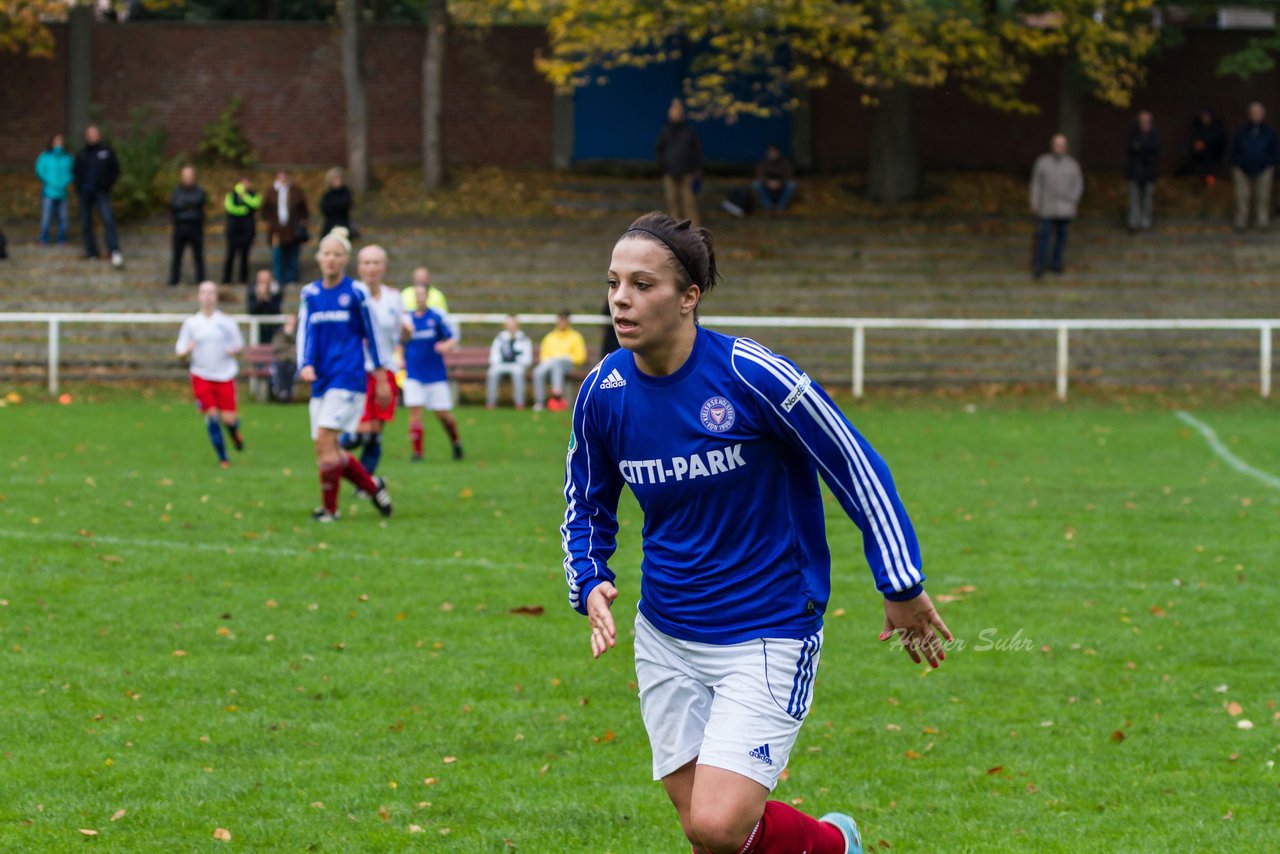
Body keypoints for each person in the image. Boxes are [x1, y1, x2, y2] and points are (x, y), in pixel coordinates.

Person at [562, 212, 948, 854]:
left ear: (689, 297)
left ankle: (831, 843)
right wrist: (591, 576)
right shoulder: (604, 391)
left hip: (766, 630)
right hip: (665, 634)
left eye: (642, 284)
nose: (621, 299)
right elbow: (586, 500)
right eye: (613, 283)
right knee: (704, 829)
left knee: (718, 825)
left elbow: (854, 464)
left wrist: (901, 582)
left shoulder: (752, 375)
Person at [296, 227, 394, 522]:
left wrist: (379, 378)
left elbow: (373, 335)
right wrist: (305, 363)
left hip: (348, 377)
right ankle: (372, 486)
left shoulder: (356, 293)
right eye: (326, 253)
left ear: (345, 260)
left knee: (325, 439)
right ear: (318, 257)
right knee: (327, 447)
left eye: (337, 255)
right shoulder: (310, 294)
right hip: (321, 379)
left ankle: (330, 510)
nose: (331, 259)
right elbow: (306, 331)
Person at [341, 244, 405, 481]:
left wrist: (406, 334)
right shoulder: (350, 295)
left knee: (376, 433)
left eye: (376, 262)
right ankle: (331, 456)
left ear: (384, 267)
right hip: (356, 370)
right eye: (367, 263)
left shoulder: (394, 298)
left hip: (384, 370)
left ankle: (364, 483)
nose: (371, 268)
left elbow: (399, 335)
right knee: (360, 433)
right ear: (358, 267)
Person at [175, 281, 245, 468]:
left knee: (229, 419)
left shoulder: (226, 321)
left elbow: (239, 345)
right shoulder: (191, 323)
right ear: (199, 296)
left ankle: (234, 433)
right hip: (201, 374)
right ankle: (223, 458)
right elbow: (179, 351)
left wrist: (233, 350)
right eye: (204, 292)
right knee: (212, 415)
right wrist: (186, 351)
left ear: (216, 297)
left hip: (224, 374)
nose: (207, 296)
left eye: (211, 293)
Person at [402, 279, 463, 461]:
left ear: (428, 297)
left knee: (442, 414)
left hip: (435, 374)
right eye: (417, 295)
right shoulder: (407, 320)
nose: (419, 298)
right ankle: (417, 453)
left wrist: (445, 346)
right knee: (415, 413)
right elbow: (400, 341)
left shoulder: (436, 318)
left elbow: (452, 339)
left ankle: (456, 442)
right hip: (414, 373)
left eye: (422, 295)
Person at [1029, 133, 1084, 277]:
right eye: (1056, 144)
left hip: (1065, 209)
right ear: (1052, 146)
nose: (1058, 147)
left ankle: (1056, 263)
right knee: (1043, 237)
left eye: (1061, 145)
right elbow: (1036, 184)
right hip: (1046, 207)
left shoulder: (1073, 165)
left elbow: (1078, 185)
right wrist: (1035, 202)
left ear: (1065, 147)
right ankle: (1039, 265)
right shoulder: (1042, 162)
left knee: (1061, 238)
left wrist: (1073, 200)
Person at [72, 124, 123, 268]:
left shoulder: (106, 151)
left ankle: (114, 250)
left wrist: (107, 184)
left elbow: (115, 170)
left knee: (108, 220)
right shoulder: (82, 154)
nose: (92, 137)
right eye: (89, 134)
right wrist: (79, 187)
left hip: (101, 192)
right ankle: (91, 252)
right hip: (85, 193)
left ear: (98, 135)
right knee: (87, 223)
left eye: (94, 134)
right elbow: (76, 172)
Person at [1230, 101, 1279, 231]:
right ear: (1249, 114)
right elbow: (1234, 149)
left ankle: (1262, 222)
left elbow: (1275, 150)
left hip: (1264, 169)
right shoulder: (1241, 131)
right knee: (1242, 197)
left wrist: (1269, 163)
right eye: (1253, 112)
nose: (1255, 115)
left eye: (1258, 112)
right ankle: (1241, 223)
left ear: (1263, 114)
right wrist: (1238, 162)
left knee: (1262, 197)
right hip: (1242, 169)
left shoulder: (1270, 132)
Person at [655, 98, 703, 225]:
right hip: (670, 172)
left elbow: (696, 151)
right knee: (672, 202)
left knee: (689, 202)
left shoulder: (689, 131)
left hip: (687, 172)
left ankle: (694, 231)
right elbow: (659, 150)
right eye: (672, 110)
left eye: (677, 110)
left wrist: (695, 168)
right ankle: (675, 230)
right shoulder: (665, 131)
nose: (674, 113)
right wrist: (664, 166)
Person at [533, 310, 588, 412]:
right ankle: (540, 402)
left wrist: (564, 357)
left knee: (557, 362)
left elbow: (580, 357)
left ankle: (556, 395)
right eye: (560, 320)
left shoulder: (576, 337)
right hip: (550, 365)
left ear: (568, 321)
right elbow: (544, 357)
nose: (562, 323)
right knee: (538, 371)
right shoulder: (549, 337)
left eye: (564, 320)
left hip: (568, 365)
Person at [265, 169, 309, 286]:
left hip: (292, 229)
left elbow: (303, 208)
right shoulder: (271, 191)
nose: (283, 178)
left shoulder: (295, 190)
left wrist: (302, 221)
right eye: (280, 176)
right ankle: (278, 279)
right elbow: (265, 210)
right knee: (278, 255)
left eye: (284, 175)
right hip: (276, 230)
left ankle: (291, 278)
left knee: (292, 255)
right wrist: (271, 223)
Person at [169, 165, 207, 286]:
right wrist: (189, 206)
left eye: (190, 176)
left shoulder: (199, 191)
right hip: (180, 229)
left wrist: (184, 205)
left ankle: (201, 280)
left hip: (195, 229)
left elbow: (198, 203)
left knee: (198, 256)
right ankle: (174, 280)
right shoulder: (176, 192)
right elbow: (174, 206)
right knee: (177, 257)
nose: (187, 179)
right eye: (185, 176)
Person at [486, 315, 533, 409]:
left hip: (517, 365)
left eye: (514, 324)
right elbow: (493, 357)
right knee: (492, 372)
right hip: (501, 365)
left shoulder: (524, 339)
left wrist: (516, 360)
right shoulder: (499, 338)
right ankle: (491, 403)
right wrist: (501, 360)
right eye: (509, 324)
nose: (512, 326)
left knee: (518, 372)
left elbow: (528, 359)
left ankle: (519, 403)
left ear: (518, 325)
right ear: (505, 325)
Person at [222, 175, 261, 285]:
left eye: (247, 183)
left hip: (247, 231)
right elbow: (229, 208)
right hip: (233, 230)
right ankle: (227, 279)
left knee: (245, 256)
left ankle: (243, 279)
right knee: (230, 255)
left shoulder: (253, 194)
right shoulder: (231, 194)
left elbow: (255, 204)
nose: (245, 185)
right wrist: (243, 210)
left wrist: (244, 197)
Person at [1125, 111, 1160, 233]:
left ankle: (1145, 222)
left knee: (1147, 199)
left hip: (1149, 172)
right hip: (1135, 171)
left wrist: (1140, 147)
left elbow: (1154, 150)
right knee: (1134, 198)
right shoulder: (1134, 132)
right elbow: (1131, 148)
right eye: (1142, 119)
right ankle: (1134, 222)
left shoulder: (1155, 133)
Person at [35, 133, 73, 245]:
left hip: (63, 192)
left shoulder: (67, 157)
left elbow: (71, 172)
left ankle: (61, 239)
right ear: (52, 143)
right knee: (46, 217)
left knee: (63, 218)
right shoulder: (45, 156)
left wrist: (65, 182)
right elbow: (39, 170)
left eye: (60, 141)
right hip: (48, 192)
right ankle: (43, 238)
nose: (58, 144)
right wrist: (49, 182)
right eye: (56, 141)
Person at [1179, 108, 1226, 185]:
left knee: (1210, 172)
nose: (1205, 119)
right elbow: (1194, 139)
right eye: (1203, 116)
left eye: (1207, 116)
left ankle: (1210, 182)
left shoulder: (1217, 127)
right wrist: (1196, 145)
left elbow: (1219, 141)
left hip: (1214, 156)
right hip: (1199, 157)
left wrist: (1205, 143)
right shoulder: (1198, 127)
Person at [753, 144, 797, 213]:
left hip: (781, 188)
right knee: (756, 184)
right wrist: (769, 182)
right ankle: (768, 206)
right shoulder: (763, 163)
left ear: (778, 152)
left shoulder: (786, 163)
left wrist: (780, 182)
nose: (773, 153)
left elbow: (789, 175)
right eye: (771, 152)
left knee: (791, 185)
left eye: (774, 151)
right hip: (768, 187)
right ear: (768, 153)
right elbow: (760, 175)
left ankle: (780, 206)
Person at [246, 269, 284, 345]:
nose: (263, 283)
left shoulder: (277, 291)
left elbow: (276, 310)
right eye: (261, 280)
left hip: (273, 327)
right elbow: (251, 310)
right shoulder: (252, 291)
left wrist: (267, 298)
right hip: (258, 328)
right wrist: (259, 298)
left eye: (266, 280)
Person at [320, 167, 355, 239]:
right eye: (334, 178)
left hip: (343, 225)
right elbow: (324, 208)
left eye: (339, 178)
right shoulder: (327, 194)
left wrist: (334, 206)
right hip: (329, 226)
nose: (337, 181)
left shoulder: (346, 193)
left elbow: (345, 205)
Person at [271, 313, 299, 403]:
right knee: (280, 367)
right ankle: (283, 392)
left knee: (291, 368)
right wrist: (290, 347)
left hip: (293, 358)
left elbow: (298, 346)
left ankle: (288, 392)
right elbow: (277, 346)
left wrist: (290, 334)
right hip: (281, 358)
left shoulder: (299, 332)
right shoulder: (280, 332)